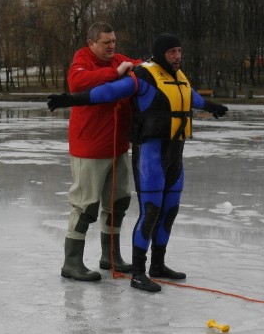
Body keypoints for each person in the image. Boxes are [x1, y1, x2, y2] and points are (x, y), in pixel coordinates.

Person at [48, 33, 229, 293]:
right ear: (160, 53)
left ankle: (157, 264)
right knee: (150, 212)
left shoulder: (178, 77)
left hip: (175, 153)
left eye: (179, 51)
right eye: (171, 52)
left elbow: (191, 98)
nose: (177, 56)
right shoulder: (142, 77)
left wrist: (213, 106)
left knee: (169, 210)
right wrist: (70, 99)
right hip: (150, 155)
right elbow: (108, 91)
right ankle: (137, 272)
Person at [60, 22, 141, 282]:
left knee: (119, 201)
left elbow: (138, 67)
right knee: (85, 206)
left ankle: (111, 256)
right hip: (90, 149)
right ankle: (71, 263)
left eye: (114, 41)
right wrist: (115, 73)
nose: (112, 46)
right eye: (106, 42)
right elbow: (77, 83)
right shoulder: (82, 59)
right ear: (92, 43)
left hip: (117, 146)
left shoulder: (118, 59)